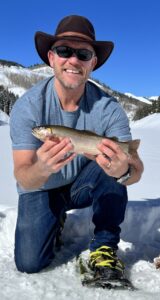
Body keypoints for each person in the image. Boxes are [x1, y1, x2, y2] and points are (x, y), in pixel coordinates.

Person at [9, 15, 144, 283]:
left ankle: (104, 246)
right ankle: (54, 219)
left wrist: (124, 171)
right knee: (29, 263)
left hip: (82, 184)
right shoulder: (28, 108)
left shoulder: (109, 109)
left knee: (111, 166)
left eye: (83, 54)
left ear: (92, 63)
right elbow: (23, 176)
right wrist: (41, 167)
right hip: (40, 188)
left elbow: (136, 169)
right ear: (51, 57)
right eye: (64, 51)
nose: (73, 60)